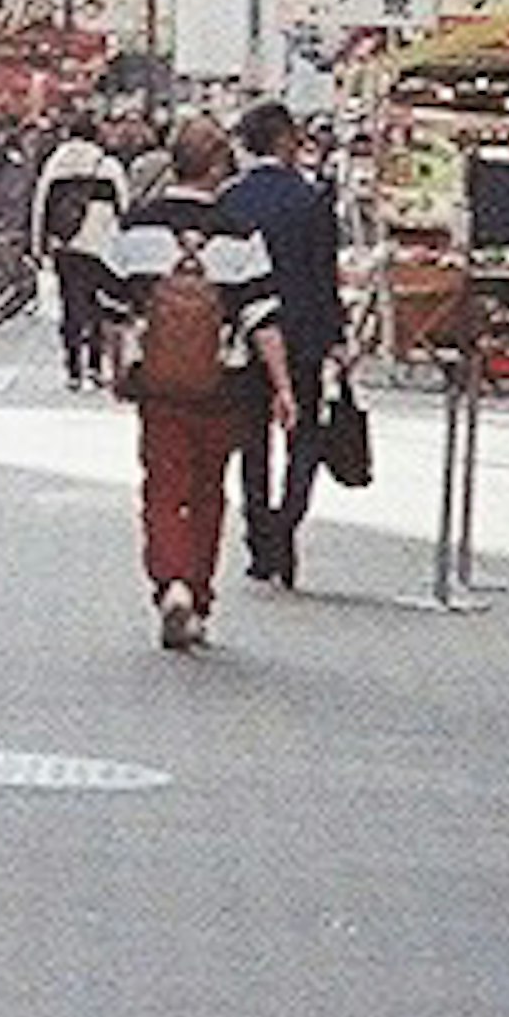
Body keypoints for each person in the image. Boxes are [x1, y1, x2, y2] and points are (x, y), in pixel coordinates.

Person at [107, 117, 291, 650]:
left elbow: (115, 307)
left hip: (159, 382)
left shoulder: (139, 226)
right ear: (217, 167)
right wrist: (283, 387)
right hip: (222, 384)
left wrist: (116, 366)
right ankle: (200, 594)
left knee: (162, 488)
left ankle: (172, 582)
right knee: (209, 490)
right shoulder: (239, 232)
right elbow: (262, 317)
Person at [219, 98, 347, 590]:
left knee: (252, 439)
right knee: (305, 436)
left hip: (248, 336)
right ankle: (286, 523)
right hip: (304, 331)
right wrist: (336, 335)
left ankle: (259, 537)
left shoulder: (231, 199)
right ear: (282, 140)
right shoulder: (311, 198)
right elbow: (323, 274)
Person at [35, 112, 127, 390]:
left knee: (70, 305)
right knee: (98, 305)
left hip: (66, 244)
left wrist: (38, 245)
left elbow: (40, 207)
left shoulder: (56, 163)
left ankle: (73, 367)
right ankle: (96, 366)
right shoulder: (107, 166)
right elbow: (124, 206)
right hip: (102, 245)